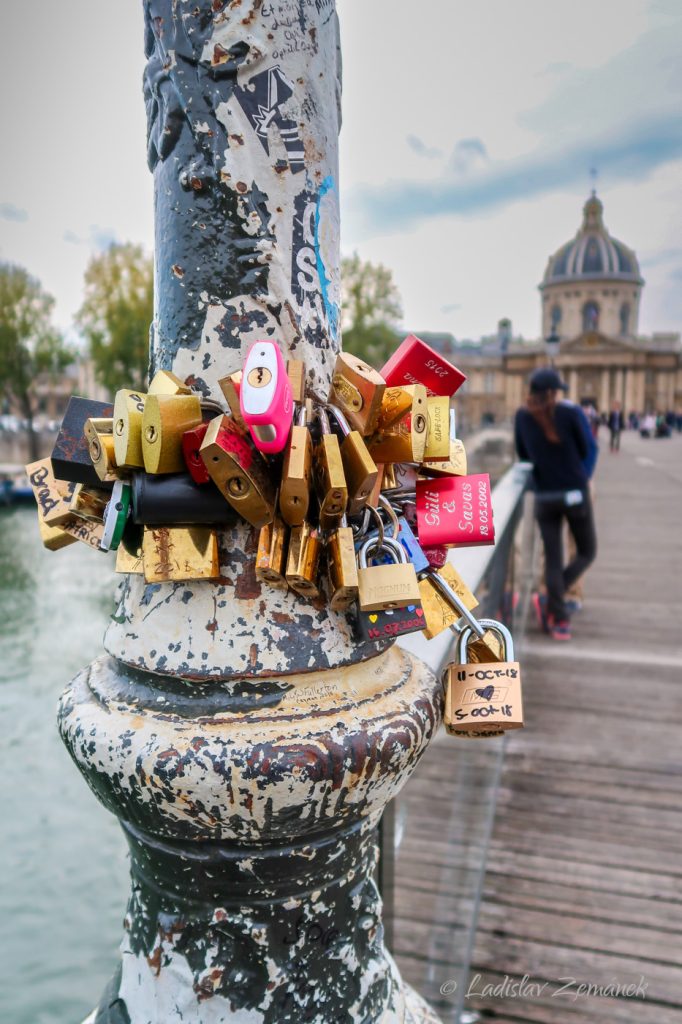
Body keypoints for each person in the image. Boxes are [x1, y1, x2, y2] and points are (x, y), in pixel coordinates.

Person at [515, 367, 597, 641]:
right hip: (574, 493)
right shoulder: (570, 413)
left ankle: (560, 619)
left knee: (553, 557)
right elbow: (587, 448)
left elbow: (523, 454)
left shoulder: (522, 417)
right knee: (586, 552)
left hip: (544, 496)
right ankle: (554, 600)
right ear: (552, 392)